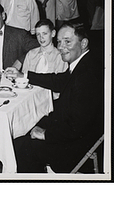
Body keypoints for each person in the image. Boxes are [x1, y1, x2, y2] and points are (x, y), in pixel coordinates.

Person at [14, 22, 104, 173]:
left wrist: (46, 134)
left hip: (76, 145)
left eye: (67, 41)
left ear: (83, 43)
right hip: (71, 130)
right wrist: (26, 75)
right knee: (27, 126)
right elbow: (58, 80)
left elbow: (77, 127)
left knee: (21, 146)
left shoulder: (87, 75)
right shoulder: (82, 64)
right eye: (59, 42)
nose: (61, 47)